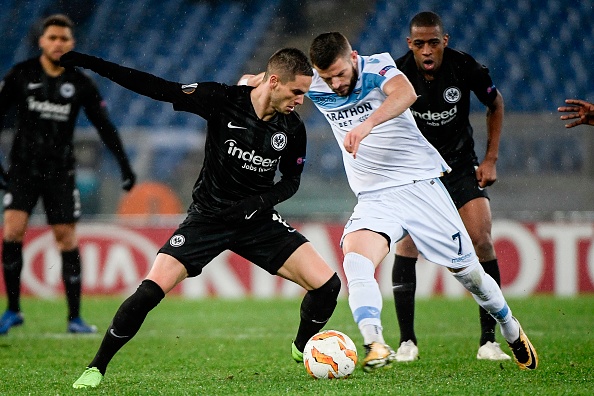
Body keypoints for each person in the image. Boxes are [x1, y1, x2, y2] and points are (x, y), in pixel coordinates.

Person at [59, 47, 341, 389]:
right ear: (274, 81)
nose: (301, 101)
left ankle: (301, 348)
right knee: (149, 291)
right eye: (297, 92)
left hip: (257, 220)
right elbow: (158, 88)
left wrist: (258, 203)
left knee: (328, 286)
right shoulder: (222, 99)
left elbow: (291, 180)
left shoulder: (292, 129)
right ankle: (96, 367)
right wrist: (94, 63)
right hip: (207, 217)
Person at [302, 31, 537, 372]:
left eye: (340, 73)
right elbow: (265, 82)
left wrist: (366, 125)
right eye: (327, 77)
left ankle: (511, 329)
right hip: (373, 196)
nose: (336, 83)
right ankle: (375, 343)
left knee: (470, 275)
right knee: (355, 260)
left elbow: (405, 93)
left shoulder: (376, 67)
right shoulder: (314, 83)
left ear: (353, 58)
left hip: (420, 187)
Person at [0, 14, 136, 335]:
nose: (58, 44)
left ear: (72, 44)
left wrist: (125, 165)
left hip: (60, 172)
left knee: (66, 239)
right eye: (53, 38)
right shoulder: (21, 75)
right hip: (22, 169)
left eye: (64, 39)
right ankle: (13, 311)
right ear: (41, 42)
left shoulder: (80, 82)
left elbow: (105, 126)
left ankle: (74, 318)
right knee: (11, 233)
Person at [391, 11, 508, 362]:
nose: (427, 51)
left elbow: (495, 103)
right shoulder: (397, 75)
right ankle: (407, 342)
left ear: (446, 41)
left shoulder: (464, 67)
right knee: (407, 246)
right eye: (419, 44)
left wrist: (490, 160)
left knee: (482, 240)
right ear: (410, 45)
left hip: (459, 168)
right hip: (418, 173)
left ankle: (489, 342)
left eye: (433, 42)